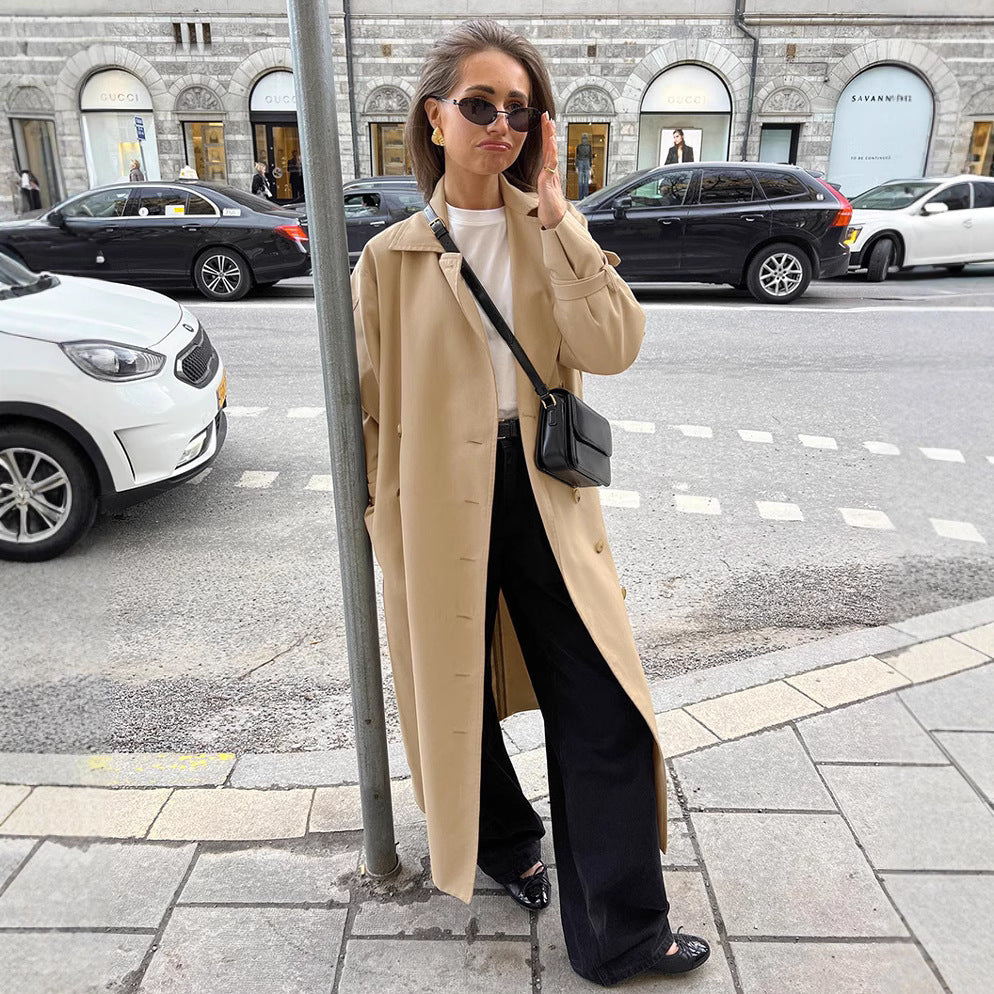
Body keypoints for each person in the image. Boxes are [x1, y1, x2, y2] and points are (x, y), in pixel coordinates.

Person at [351, 18, 710, 987]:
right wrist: (384, 528)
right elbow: (371, 413)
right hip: (434, 511)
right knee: (453, 691)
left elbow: (613, 345)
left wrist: (561, 221)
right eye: (479, 106)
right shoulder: (386, 258)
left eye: (520, 109)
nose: (499, 125)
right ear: (435, 117)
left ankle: (620, 934)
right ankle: (509, 845)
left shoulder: (546, 229)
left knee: (604, 708)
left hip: (543, 495)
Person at [574, 132, 592, 199]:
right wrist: (576, 165)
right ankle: (581, 196)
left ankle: (584, 196)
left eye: (585, 139)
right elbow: (577, 156)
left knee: (585, 179)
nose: (584, 140)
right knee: (581, 180)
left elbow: (590, 156)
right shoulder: (579, 146)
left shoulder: (589, 146)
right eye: (583, 139)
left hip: (585, 161)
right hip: (581, 161)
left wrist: (590, 165)